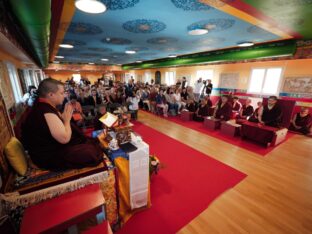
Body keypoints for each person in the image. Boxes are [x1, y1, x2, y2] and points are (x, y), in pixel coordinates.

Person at [22, 78, 103, 170]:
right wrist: (67, 120)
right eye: (61, 93)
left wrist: (65, 119)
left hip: (53, 146)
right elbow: (64, 139)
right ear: (51, 95)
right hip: (47, 156)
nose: (64, 96)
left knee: (89, 142)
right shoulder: (45, 111)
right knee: (89, 153)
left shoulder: (44, 106)